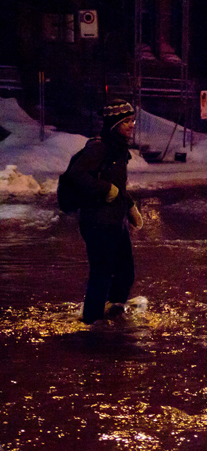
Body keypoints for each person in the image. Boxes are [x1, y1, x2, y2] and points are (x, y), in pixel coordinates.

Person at [69, 99, 143, 324]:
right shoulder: (99, 147)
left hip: (114, 220)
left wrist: (128, 205)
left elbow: (116, 184)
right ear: (114, 124)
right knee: (101, 274)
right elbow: (76, 176)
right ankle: (91, 323)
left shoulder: (118, 148)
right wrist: (105, 188)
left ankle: (113, 308)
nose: (132, 125)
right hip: (97, 222)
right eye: (126, 121)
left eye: (132, 120)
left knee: (125, 271)